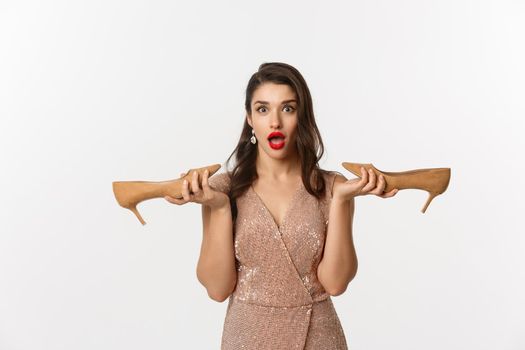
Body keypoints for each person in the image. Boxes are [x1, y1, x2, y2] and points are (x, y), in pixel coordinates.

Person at [164, 62, 398, 349]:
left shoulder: (333, 187)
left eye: (287, 108)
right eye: (263, 109)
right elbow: (217, 288)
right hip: (246, 339)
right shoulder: (222, 189)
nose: (275, 122)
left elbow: (335, 284)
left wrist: (340, 201)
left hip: (318, 337)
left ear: (302, 116)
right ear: (249, 118)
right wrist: (221, 208)